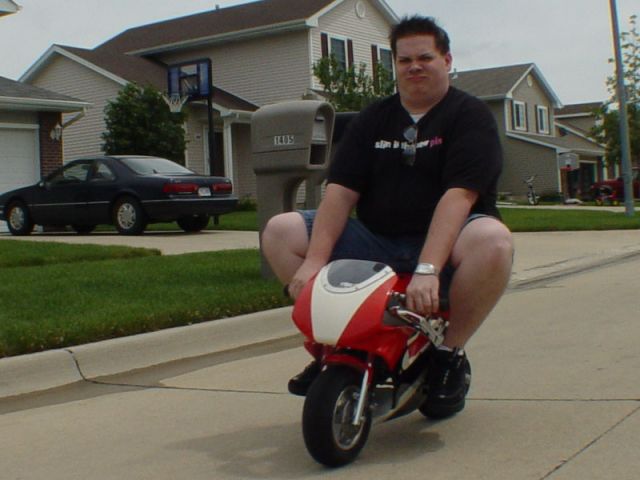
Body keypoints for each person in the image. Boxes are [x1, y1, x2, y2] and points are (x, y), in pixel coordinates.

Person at [261, 15, 514, 418]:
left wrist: (428, 268)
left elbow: (459, 196)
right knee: (280, 230)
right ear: (394, 64)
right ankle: (333, 350)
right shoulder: (374, 118)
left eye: (425, 57)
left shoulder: (470, 116)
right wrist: (313, 262)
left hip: (447, 245)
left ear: (447, 60)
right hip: (377, 240)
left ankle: (447, 356)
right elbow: (340, 193)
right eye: (404, 59)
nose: (414, 67)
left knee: (494, 241)